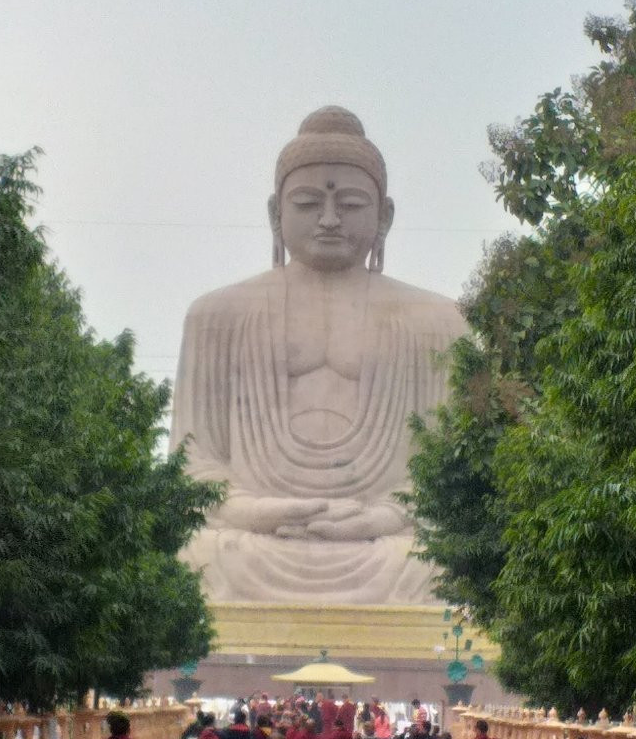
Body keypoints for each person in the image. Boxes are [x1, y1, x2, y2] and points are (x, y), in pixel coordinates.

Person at [171, 106, 467, 605]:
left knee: (440, 562)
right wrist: (258, 512)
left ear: (385, 215)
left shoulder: (439, 321)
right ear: (274, 213)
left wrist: (384, 517)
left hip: (385, 545)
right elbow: (192, 466)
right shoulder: (215, 314)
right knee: (191, 552)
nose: (329, 220)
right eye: (308, 203)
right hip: (255, 539)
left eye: (351, 204)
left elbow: (451, 474)